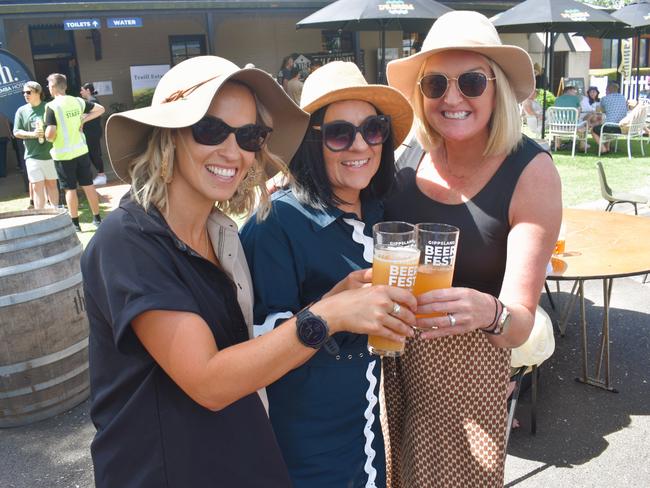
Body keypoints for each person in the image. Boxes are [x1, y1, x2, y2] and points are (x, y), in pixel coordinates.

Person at [81, 55, 415, 488]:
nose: (232, 151)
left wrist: (333, 301)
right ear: (168, 135)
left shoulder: (219, 234)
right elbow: (208, 381)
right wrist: (329, 317)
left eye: (249, 135)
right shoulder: (128, 239)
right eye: (210, 129)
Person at [382, 11, 561, 487]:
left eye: (472, 82)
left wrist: (490, 312)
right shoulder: (404, 155)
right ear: (421, 93)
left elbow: (519, 322)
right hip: (386, 361)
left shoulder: (531, 170)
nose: (452, 97)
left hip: (466, 375)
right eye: (436, 83)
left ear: (497, 88)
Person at [240, 60, 414, 488]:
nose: (360, 146)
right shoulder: (275, 223)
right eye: (339, 133)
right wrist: (331, 309)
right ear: (309, 143)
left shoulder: (380, 211)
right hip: (307, 449)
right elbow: (254, 345)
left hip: (369, 432)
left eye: (373, 129)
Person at [45, 73, 104, 231]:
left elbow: (50, 134)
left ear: (52, 87)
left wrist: (45, 136)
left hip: (63, 155)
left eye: (48, 85)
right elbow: (100, 109)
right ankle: (97, 219)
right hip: (81, 151)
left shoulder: (51, 106)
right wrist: (82, 120)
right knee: (88, 185)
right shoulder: (77, 101)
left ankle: (75, 224)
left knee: (69, 189)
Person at [13, 81, 59, 209]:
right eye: (23, 93)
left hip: (50, 154)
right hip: (32, 156)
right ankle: (41, 215)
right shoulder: (21, 111)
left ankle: (55, 212)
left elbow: (57, 128)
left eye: (28, 92)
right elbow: (16, 132)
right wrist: (33, 134)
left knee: (52, 185)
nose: (25, 95)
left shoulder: (48, 107)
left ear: (38, 92)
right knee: (37, 187)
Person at [80, 82, 107, 186]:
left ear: (87, 90)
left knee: (95, 153)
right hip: (91, 132)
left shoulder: (92, 101)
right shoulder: (90, 101)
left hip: (92, 132)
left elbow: (87, 116)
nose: (80, 92)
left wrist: (82, 118)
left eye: (82, 90)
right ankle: (100, 175)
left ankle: (101, 175)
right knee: (92, 154)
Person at [591, 82, 629, 154]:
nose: (605, 91)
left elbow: (599, 111)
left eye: (606, 90)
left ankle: (603, 149)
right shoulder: (622, 97)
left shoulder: (604, 99)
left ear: (608, 90)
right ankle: (607, 147)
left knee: (593, 130)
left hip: (612, 127)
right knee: (607, 124)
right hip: (622, 127)